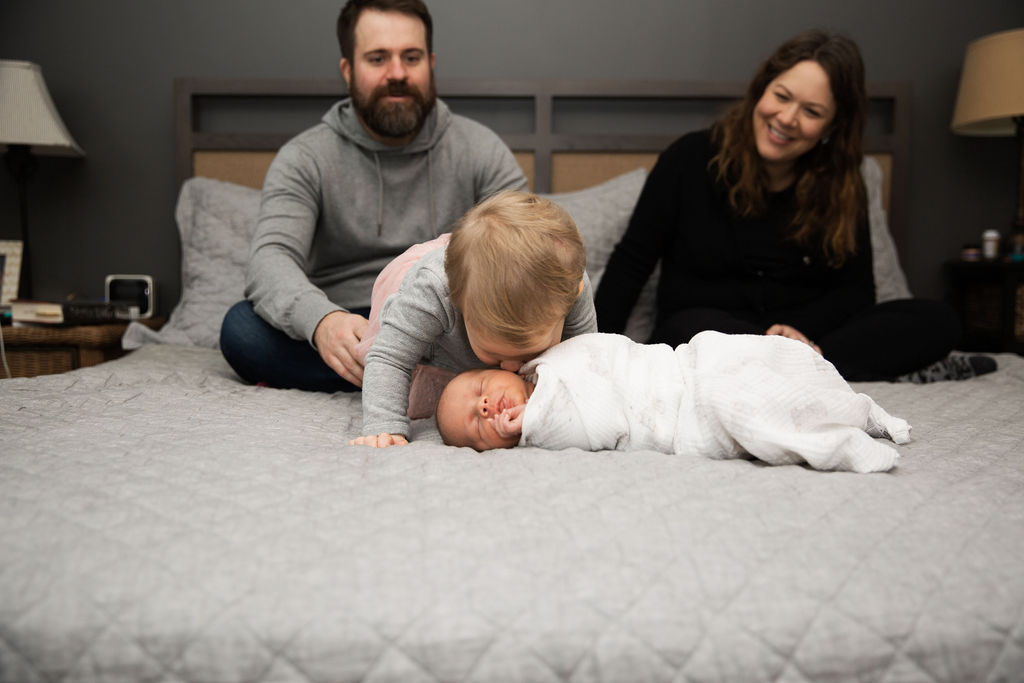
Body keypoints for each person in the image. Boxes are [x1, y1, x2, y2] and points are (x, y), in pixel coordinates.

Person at [594, 29, 993, 383]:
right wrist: (593, 355)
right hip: (708, 332)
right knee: (691, 329)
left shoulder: (844, 180)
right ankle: (811, 370)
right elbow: (632, 262)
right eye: (781, 96)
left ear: (832, 127)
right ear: (761, 90)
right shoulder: (689, 158)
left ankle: (794, 365)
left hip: (808, 338)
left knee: (936, 321)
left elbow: (855, 293)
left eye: (811, 112)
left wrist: (796, 332)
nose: (786, 118)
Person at [219, 0, 527, 393]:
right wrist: (323, 324)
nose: (397, 73)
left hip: (445, 326)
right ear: (348, 69)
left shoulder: (481, 149)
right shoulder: (304, 158)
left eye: (411, 57)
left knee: (526, 323)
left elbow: (525, 250)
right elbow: (269, 260)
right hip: (348, 324)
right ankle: (427, 382)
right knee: (241, 330)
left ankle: (401, 376)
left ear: (430, 63)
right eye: (378, 58)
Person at [436, 331, 911, 474]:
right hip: (682, 413)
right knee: (740, 405)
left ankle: (852, 405)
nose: (484, 410)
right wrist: (533, 421)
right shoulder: (544, 433)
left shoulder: (549, 360)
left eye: (479, 391)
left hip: (682, 366)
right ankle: (840, 435)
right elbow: (602, 426)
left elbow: (613, 352)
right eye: (476, 429)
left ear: (501, 368)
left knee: (750, 355)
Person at [350, 190, 597, 448]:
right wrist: (384, 426)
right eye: (496, 354)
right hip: (427, 328)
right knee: (423, 398)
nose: (511, 368)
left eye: (529, 353)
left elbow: (588, 364)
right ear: (459, 303)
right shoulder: (434, 291)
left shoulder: (568, 286)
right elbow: (391, 357)